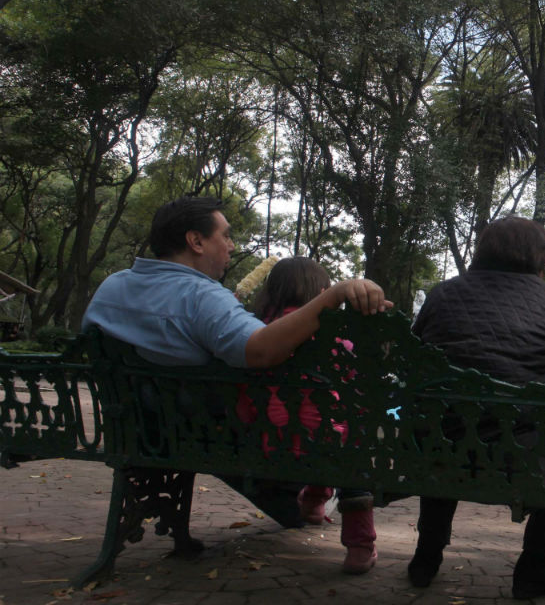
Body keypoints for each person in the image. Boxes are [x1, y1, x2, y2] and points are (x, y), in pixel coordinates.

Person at [81, 196, 391, 529]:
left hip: (135, 432)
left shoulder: (111, 286)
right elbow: (261, 351)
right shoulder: (202, 296)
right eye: (225, 235)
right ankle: (309, 498)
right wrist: (332, 296)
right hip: (199, 439)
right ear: (196, 241)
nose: (231, 245)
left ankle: (299, 503)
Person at [407, 216, 545, 600]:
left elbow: (412, 369)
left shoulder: (441, 297)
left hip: (437, 447)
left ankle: (426, 557)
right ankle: (535, 564)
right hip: (521, 456)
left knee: (446, 428)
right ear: (538, 258)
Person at [246, 256, 377, 575]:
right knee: (349, 442)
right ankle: (359, 547)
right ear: (321, 293)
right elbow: (354, 388)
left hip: (270, 436)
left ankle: (315, 501)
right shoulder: (334, 338)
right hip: (328, 438)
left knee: (316, 432)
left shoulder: (258, 330)